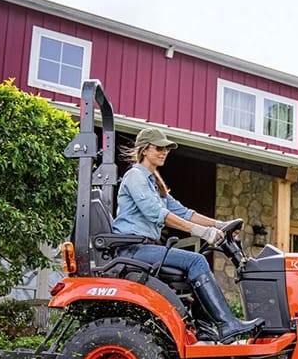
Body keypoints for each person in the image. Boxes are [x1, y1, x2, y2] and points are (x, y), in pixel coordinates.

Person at [113, 126, 263, 343]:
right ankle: (228, 325)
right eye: (159, 148)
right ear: (144, 150)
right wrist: (201, 232)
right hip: (133, 250)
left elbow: (184, 212)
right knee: (196, 261)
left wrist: (220, 225)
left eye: (166, 149)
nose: (164, 152)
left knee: (196, 264)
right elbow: (157, 213)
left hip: (145, 248)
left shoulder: (154, 182)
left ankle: (205, 331)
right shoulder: (135, 176)